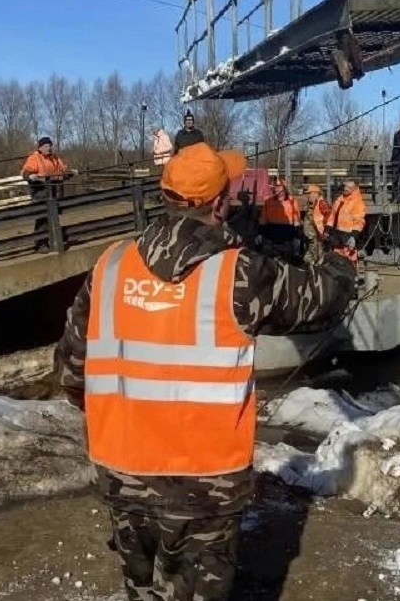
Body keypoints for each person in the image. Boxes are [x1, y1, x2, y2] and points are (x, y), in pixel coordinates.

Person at [54, 141, 357, 601]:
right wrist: (340, 262)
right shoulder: (240, 274)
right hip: (206, 485)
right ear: (218, 205)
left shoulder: (110, 266)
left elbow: (71, 372)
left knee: (142, 590)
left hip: (122, 473)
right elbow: (323, 299)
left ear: (166, 196)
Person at [257, 177, 301, 261]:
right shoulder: (268, 201)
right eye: (275, 187)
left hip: (286, 236)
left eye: (279, 187)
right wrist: (260, 233)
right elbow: (263, 218)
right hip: (271, 236)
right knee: (269, 262)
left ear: (284, 188)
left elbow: (296, 220)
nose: (276, 189)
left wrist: (296, 236)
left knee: (286, 262)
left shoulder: (292, 201)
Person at [327, 179, 367, 268]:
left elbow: (359, 221)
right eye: (345, 186)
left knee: (349, 264)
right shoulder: (340, 199)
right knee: (337, 263)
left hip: (348, 237)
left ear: (355, 189)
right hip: (337, 236)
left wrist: (353, 236)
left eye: (349, 187)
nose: (346, 188)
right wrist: (327, 229)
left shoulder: (358, 202)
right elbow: (332, 215)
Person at [301, 183, 332, 263]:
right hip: (311, 237)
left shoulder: (322, 203)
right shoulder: (311, 205)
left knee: (315, 258)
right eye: (308, 194)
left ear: (316, 193)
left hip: (317, 236)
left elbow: (330, 217)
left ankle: (318, 268)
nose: (308, 196)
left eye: (310, 193)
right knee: (310, 258)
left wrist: (326, 231)